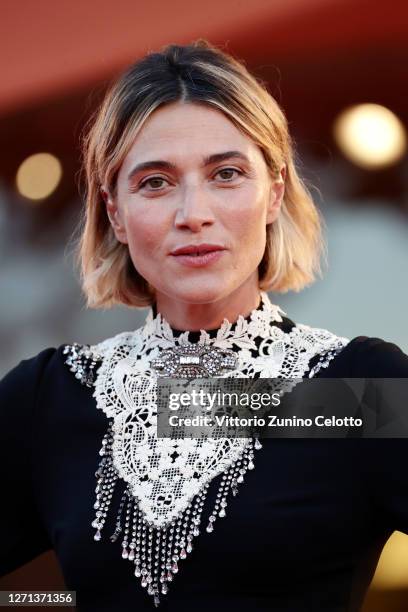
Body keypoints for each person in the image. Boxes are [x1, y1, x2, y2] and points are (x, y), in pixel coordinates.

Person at [1, 38, 408, 612]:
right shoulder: (51, 398)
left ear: (275, 192)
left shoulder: (364, 392)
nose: (193, 213)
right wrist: (34, 604)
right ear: (114, 212)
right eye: (156, 182)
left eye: (226, 173)